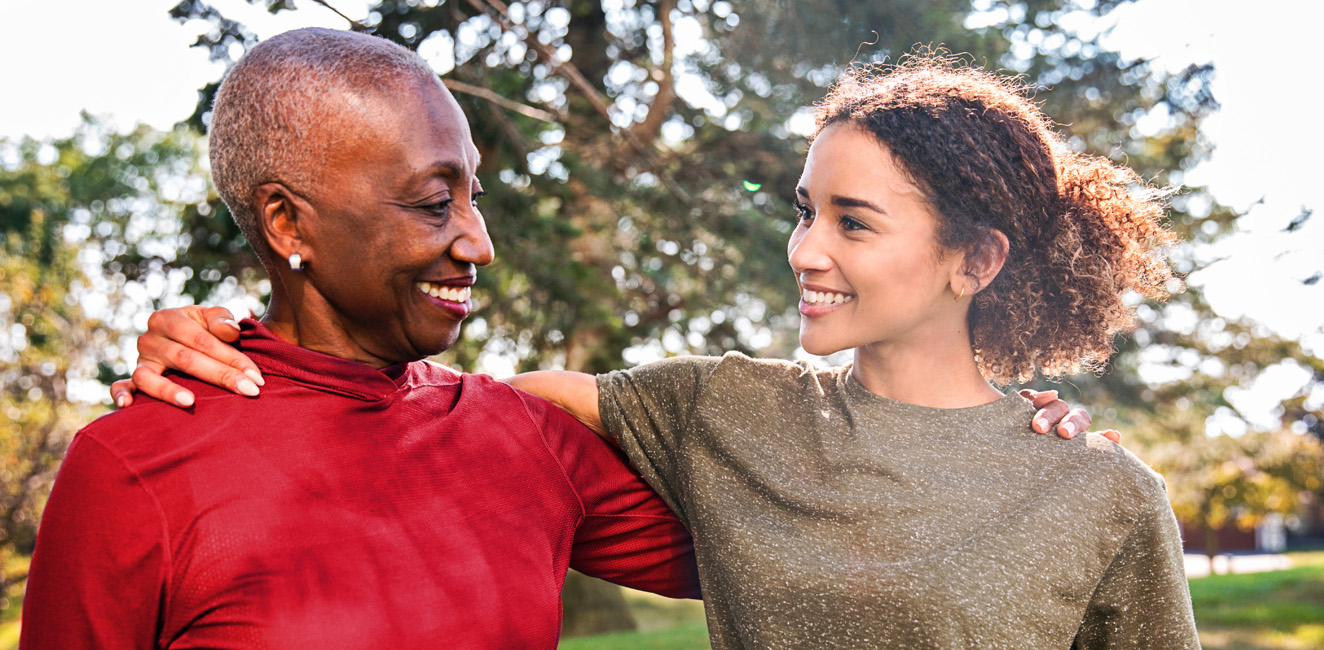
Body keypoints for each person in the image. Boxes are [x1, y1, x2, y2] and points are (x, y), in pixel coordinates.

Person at [109, 54, 1178, 649]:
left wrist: (1040, 453)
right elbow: (454, 411)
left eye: (853, 222)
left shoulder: (1101, 492)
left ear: (974, 260)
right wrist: (252, 352)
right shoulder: (718, 413)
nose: (804, 248)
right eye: (804, 211)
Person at [19, 28, 701, 650]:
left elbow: (769, 550)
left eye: (474, 198)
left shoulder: (524, 436)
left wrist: (580, 395)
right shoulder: (131, 467)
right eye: (435, 204)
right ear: (288, 224)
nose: (479, 244)